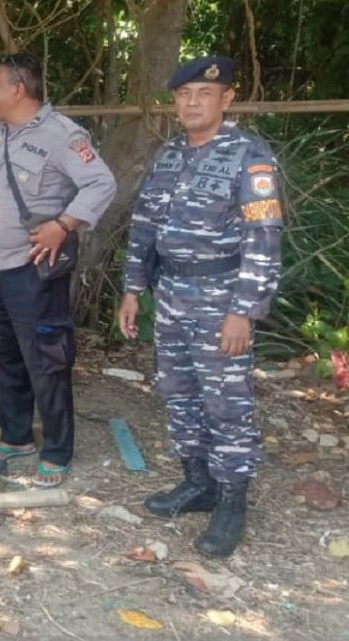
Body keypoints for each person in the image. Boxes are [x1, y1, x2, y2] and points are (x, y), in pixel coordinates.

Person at [118, 56, 282, 558]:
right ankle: (199, 482)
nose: (192, 102)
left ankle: (231, 500)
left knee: (226, 402)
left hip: (221, 298)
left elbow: (264, 237)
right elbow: (145, 224)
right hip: (171, 295)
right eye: (184, 94)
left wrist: (244, 310)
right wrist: (132, 287)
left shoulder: (248, 156)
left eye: (204, 94)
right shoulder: (168, 154)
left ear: (226, 99)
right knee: (179, 392)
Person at [0, 52, 116, 488]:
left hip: (32, 269)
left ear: (18, 89)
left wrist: (63, 225)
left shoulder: (62, 134)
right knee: (2, 353)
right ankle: (17, 436)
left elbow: (101, 182)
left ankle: (57, 451)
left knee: (45, 360)